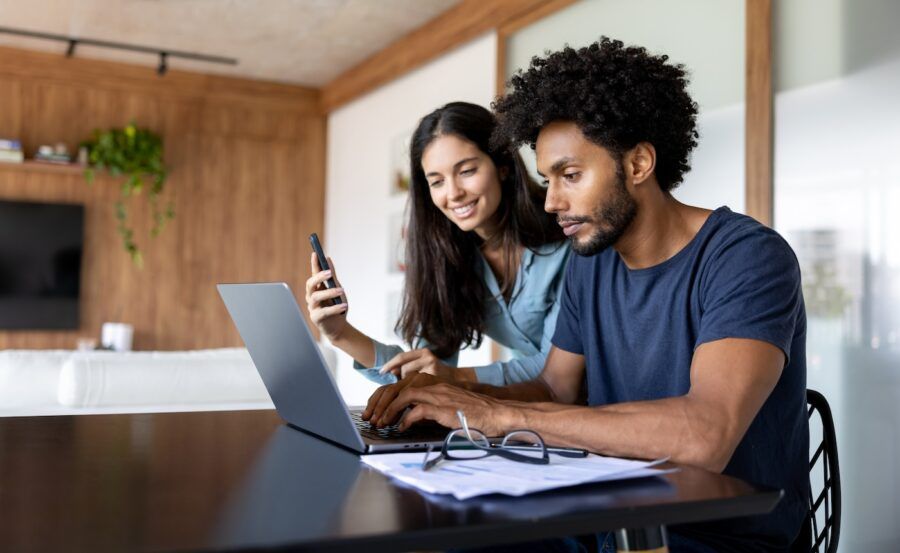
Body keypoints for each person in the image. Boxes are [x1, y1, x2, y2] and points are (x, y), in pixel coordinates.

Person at [364, 38, 809, 552]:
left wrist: (498, 416)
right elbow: (556, 388)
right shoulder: (589, 261)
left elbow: (704, 435)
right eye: (548, 179)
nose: (552, 201)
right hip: (603, 513)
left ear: (639, 163)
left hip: (714, 536)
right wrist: (456, 399)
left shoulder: (745, 257)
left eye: (571, 175)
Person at [306, 102, 570, 387]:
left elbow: (557, 368)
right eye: (437, 182)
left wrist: (455, 378)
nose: (453, 193)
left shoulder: (567, 234)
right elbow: (427, 370)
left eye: (467, 171)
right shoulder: (450, 258)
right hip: (533, 407)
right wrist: (340, 333)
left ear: (502, 166)